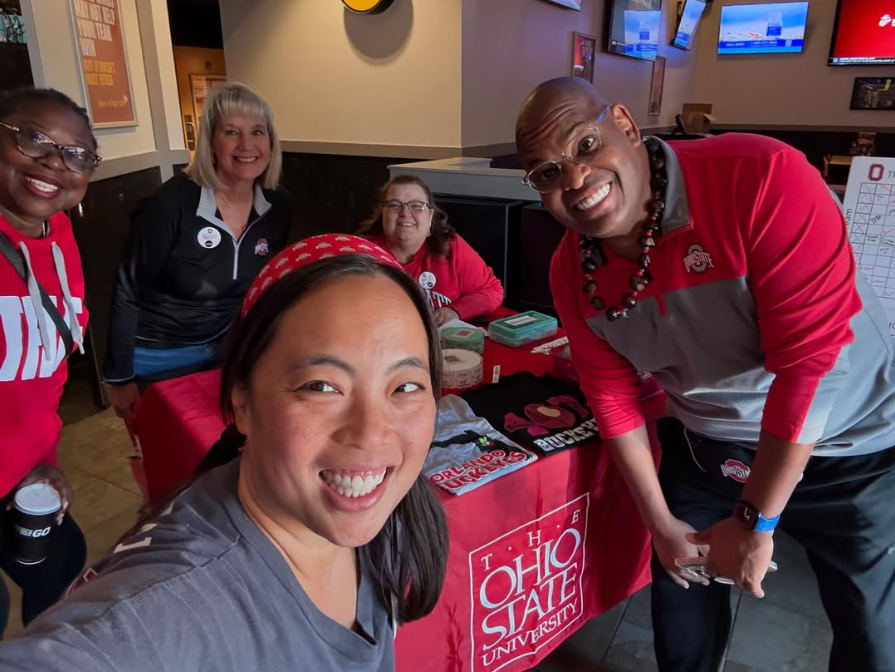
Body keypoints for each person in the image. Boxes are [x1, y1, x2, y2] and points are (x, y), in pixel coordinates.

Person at [515, 77, 895, 672]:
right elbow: (612, 397)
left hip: (853, 437)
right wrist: (659, 523)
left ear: (626, 123)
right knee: (681, 606)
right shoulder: (573, 270)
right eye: (545, 173)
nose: (575, 180)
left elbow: (807, 371)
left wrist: (755, 519)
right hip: (709, 442)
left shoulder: (763, 175)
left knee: (876, 635)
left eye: (586, 145)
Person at [0, 234, 449, 670]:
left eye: (406, 386)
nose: (371, 434)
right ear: (242, 401)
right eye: (321, 386)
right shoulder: (170, 607)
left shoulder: (388, 516)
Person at [104, 82, 293, 421]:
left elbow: (269, 284)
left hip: (229, 350)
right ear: (210, 142)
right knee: (173, 463)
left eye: (258, 132)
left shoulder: (278, 204)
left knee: (223, 455)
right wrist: (119, 377)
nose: (247, 145)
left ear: (271, 142)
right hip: (160, 355)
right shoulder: (172, 203)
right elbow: (127, 290)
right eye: (231, 132)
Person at [0, 88, 99, 637]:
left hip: (19, 473)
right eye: (33, 138)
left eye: (77, 153)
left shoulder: (59, 236)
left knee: (61, 568)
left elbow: (47, 371)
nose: (54, 163)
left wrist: (46, 459)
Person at [359, 174, 503, 326]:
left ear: (430, 216)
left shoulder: (451, 246)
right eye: (394, 205)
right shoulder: (363, 253)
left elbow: (492, 290)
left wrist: (455, 311)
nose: (405, 213)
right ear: (383, 214)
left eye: (417, 206)